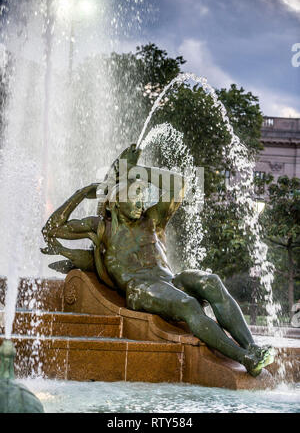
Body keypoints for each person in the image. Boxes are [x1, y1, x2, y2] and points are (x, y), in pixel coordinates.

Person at [41, 144, 274, 377]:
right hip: (140, 289)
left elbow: (179, 185)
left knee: (211, 281)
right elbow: (51, 229)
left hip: (170, 281)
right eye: (134, 197)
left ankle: (251, 346)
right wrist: (82, 193)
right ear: (114, 202)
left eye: (142, 197)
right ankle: (245, 358)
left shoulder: (152, 220)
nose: (141, 203)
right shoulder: (102, 228)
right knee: (188, 305)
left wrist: (134, 171)